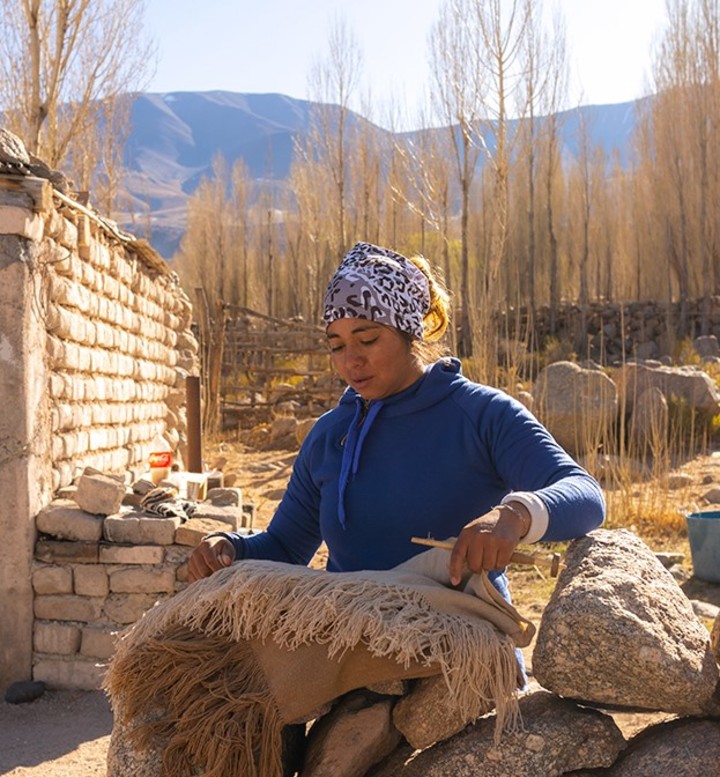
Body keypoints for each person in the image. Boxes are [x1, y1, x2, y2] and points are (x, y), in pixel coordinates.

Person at [188, 241, 605, 608]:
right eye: (337, 346)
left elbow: (586, 496)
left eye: (367, 340)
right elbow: (284, 546)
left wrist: (515, 515)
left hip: (460, 649)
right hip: (350, 643)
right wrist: (231, 550)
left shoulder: (480, 414)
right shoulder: (331, 436)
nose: (351, 360)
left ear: (409, 332)